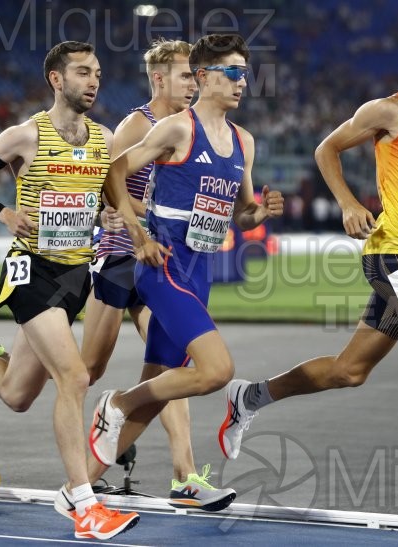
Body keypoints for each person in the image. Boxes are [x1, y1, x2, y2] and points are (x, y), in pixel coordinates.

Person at [218, 21, 398, 533]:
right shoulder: (390, 110)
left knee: (349, 371)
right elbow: (325, 149)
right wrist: (349, 204)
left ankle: (250, 396)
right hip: (391, 256)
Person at [0, 41, 138, 540]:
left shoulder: (104, 138)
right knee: (74, 376)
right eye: (83, 72)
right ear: (56, 79)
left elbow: (97, 194)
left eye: (98, 73)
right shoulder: (24, 135)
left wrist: (105, 213)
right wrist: (4, 213)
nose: (94, 81)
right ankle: (83, 504)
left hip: (76, 276)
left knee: (17, 393)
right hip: (31, 270)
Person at [86, 34, 284, 483]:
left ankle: (79, 484)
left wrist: (261, 212)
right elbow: (115, 171)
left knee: (157, 388)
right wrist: (138, 235)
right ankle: (115, 405)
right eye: (232, 72)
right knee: (217, 370)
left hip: (201, 272)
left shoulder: (243, 142)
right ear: (204, 76)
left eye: (244, 73)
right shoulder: (178, 128)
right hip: (164, 268)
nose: (241, 82)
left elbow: (241, 215)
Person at [73, 38, 234, 512]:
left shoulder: (192, 127)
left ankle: (184, 475)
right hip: (122, 255)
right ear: (160, 79)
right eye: (185, 75)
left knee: (174, 363)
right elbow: (107, 183)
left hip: (161, 260)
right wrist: (149, 218)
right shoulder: (139, 125)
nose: (193, 83)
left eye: (195, 75)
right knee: (86, 370)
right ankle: (80, 465)